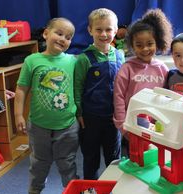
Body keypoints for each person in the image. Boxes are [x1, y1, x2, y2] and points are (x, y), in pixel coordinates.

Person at [14, 18, 78, 194]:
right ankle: (35, 189)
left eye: (68, 37)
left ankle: (71, 189)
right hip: (38, 127)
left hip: (67, 126)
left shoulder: (73, 61)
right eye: (59, 33)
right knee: (39, 163)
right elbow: (21, 90)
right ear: (45, 33)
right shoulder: (32, 60)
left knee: (67, 162)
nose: (63, 39)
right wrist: (18, 115)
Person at [113, 8, 173, 157]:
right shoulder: (127, 68)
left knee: (154, 162)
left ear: (157, 43)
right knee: (133, 162)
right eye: (139, 45)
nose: (145, 49)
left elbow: (167, 99)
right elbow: (118, 97)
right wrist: (122, 125)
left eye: (149, 43)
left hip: (156, 128)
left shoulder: (163, 69)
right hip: (131, 127)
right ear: (132, 46)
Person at [73, 8, 125, 180]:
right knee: (91, 158)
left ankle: (114, 189)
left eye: (109, 29)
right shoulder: (84, 58)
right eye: (98, 29)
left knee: (114, 158)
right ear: (90, 30)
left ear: (116, 31)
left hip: (113, 117)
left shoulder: (120, 55)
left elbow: (124, 87)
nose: (104, 34)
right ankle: (89, 188)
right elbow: (78, 87)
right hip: (90, 118)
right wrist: (79, 112)